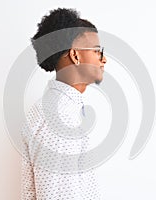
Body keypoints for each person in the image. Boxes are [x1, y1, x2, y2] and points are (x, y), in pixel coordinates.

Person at [21, 8, 107, 200]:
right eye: (96, 51)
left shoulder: (55, 111)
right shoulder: (60, 121)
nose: (104, 59)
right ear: (75, 56)